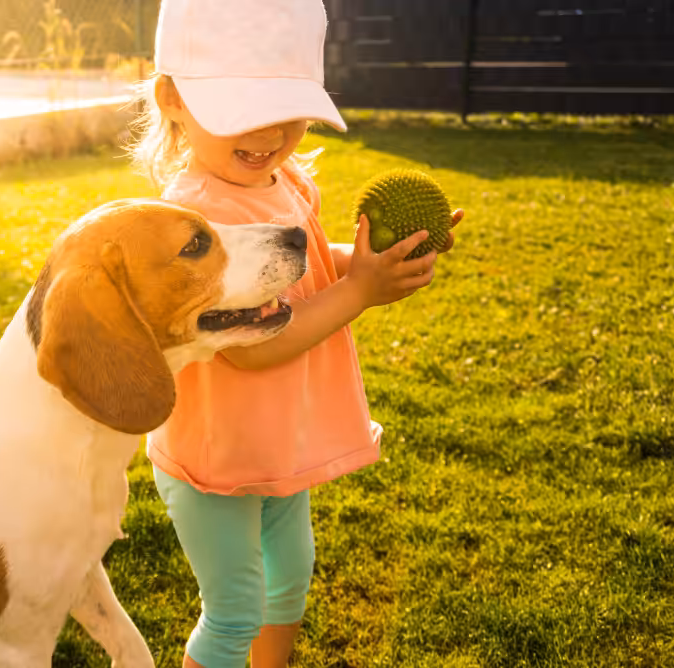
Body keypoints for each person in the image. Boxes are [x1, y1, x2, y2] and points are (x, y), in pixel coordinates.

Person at [128, 1, 463, 666]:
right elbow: (259, 346)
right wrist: (359, 292)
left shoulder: (284, 181)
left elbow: (303, 262)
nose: (269, 131)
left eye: (288, 109)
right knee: (233, 611)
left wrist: (369, 263)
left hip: (278, 436)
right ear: (171, 99)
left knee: (287, 582)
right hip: (216, 453)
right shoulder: (196, 219)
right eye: (241, 110)